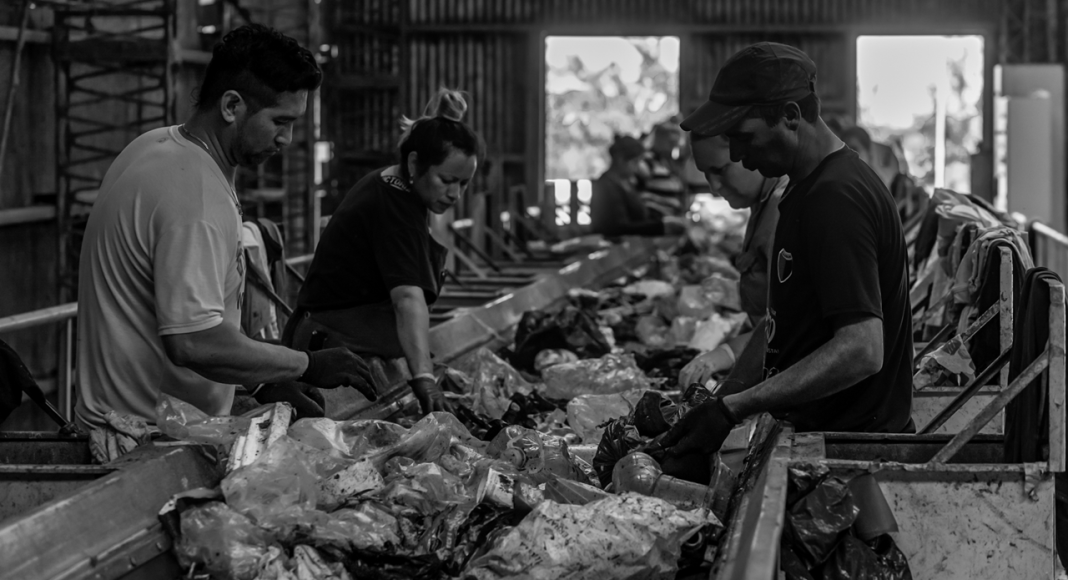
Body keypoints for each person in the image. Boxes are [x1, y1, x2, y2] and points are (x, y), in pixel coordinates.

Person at [75, 24, 376, 433]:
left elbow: (181, 316)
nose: (287, 139)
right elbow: (193, 342)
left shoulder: (157, 147)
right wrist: (305, 364)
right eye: (280, 121)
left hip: (146, 423)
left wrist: (262, 379)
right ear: (232, 105)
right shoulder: (194, 193)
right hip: (144, 440)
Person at [659, 42, 914, 458]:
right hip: (819, 439)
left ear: (791, 117)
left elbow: (862, 349)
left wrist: (736, 407)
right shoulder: (803, 188)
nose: (739, 154)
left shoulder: (837, 198)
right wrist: (722, 402)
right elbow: (782, 324)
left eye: (744, 137)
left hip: (852, 455)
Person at [291, 88, 481, 416]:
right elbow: (407, 298)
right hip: (326, 353)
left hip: (352, 350)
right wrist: (423, 377)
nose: (455, 194)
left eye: (463, 185)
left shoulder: (400, 191)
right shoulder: (395, 207)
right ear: (413, 163)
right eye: (447, 180)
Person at [678, 132, 789, 386]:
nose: (714, 187)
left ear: (749, 153)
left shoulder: (780, 206)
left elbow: (787, 323)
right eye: (706, 174)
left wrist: (725, 355)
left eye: (719, 170)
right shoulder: (761, 203)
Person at [590, 135, 687, 238]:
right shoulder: (606, 186)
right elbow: (618, 227)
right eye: (635, 162)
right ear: (620, 160)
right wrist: (661, 226)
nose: (637, 168)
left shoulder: (627, 183)